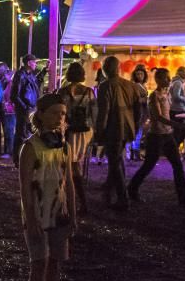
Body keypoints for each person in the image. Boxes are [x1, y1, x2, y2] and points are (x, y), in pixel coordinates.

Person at [19, 93, 78, 281]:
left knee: (54, 261)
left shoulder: (64, 146)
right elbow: (24, 188)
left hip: (59, 214)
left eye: (63, 114)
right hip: (38, 213)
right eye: (54, 112)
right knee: (39, 262)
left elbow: (70, 182)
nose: (59, 118)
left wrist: (73, 214)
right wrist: (31, 219)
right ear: (40, 115)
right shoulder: (30, 147)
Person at [127, 68, 185, 207]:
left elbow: (168, 114)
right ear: (158, 79)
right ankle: (132, 188)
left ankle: (184, 197)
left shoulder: (166, 94)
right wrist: (179, 125)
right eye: (166, 78)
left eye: (169, 77)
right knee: (149, 165)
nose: (169, 80)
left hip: (167, 134)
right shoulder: (154, 96)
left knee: (177, 165)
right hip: (156, 136)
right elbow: (158, 117)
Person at [95, 56, 139, 210]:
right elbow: (138, 109)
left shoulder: (105, 86)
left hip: (113, 128)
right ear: (118, 68)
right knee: (118, 159)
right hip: (128, 126)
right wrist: (135, 125)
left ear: (105, 70)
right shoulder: (130, 85)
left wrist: (99, 132)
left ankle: (122, 198)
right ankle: (110, 189)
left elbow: (104, 112)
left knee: (114, 162)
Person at [58, 62, 95, 212]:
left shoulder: (62, 92)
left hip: (68, 131)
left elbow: (59, 113)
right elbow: (94, 114)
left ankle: (74, 201)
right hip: (84, 132)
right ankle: (81, 202)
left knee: (69, 165)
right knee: (75, 165)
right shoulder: (89, 92)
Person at [11, 54, 40, 161]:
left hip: (31, 109)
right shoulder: (20, 75)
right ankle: (18, 159)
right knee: (21, 134)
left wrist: (44, 71)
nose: (36, 64)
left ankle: (25, 158)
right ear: (28, 63)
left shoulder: (30, 75)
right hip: (24, 110)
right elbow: (14, 96)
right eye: (34, 62)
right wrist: (25, 108)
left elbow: (36, 84)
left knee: (28, 134)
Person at [129, 65, 149, 161]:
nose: (140, 76)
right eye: (138, 74)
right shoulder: (135, 85)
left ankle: (135, 152)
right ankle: (135, 153)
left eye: (141, 74)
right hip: (137, 111)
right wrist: (145, 99)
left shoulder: (142, 85)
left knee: (139, 132)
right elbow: (135, 99)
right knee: (137, 132)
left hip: (142, 111)